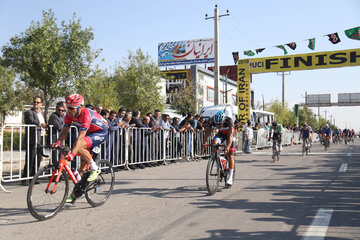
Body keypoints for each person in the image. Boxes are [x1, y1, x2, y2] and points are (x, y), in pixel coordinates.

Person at [52, 94, 108, 203]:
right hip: (89, 133)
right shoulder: (69, 114)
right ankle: (76, 193)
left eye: (72, 108)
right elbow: (64, 132)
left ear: (80, 107)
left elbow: (81, 137)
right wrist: (58, 143)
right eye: (68, 107)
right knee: (81, 169)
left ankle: (95, 168)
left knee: (78, 145)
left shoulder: (86, 113)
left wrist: (72, 154)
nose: (69, 110)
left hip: (100, 132)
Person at [203, 111, 235, 186]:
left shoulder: (229, 121)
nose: (218, 126)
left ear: (223, 121)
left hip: (229, 135)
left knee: (231, 154)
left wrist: (227, 147)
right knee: (214, 142)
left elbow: (230, 136)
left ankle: (230, 177)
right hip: (221, 134)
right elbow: (207, 133)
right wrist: (204, 144)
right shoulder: (211, 120)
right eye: (216, 124)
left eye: (220, 124)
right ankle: (219, 158)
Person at [21, 96, 48, 185]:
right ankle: (25, 178)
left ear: (41, 104)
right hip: (32, 138)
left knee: (38, 158)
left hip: (40, 137)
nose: (36, 103)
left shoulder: (42, 113)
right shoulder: (29, 112)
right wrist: (41, 124)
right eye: (34, 102)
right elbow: (30, 121)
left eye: (37, 102)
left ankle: (34, 177)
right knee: (30, 158)